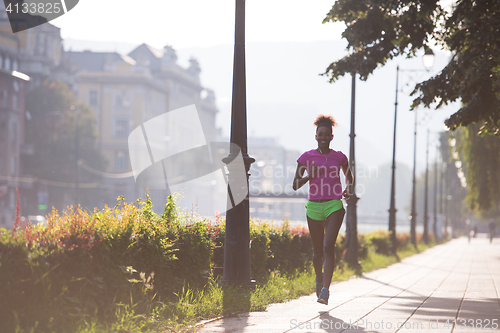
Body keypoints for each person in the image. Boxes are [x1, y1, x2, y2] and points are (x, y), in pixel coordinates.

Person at [292, 114, 353, 305]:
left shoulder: (340, 157)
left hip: (334, 204)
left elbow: (349, 177)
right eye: (321, 134)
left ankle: (325, 291)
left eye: (328, 134)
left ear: (332, 137)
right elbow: (295, 184)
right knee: (317, 252)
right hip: (314, 207)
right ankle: (319, 279)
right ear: (316, 136)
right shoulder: (307, 157)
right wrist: (309, 176)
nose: (324, 137)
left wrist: (348, 189)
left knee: (328, 246)